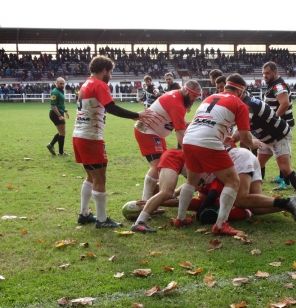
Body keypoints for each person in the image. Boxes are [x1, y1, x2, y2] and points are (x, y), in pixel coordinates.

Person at [173, 74, 261, 236]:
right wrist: (253, 143)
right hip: (208, 141)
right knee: (233, 181)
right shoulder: (239, 103)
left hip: (189, 138)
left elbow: (200, 121)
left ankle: (180, 218)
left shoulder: (209, 98)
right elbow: (245, 136)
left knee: (192, 180)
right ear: (240, 91)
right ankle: (221, 224)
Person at [73, 55, 152, 228]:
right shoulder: (99, 84)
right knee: (100, 178)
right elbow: (111, 107)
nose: (111, 76)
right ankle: (101, 220)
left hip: (79, 135)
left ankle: (84, 214)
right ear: (103, 71)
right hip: (90, 137)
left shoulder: (85, 84)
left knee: (90, 177)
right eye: (111, 72)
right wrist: (137, 115)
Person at [236, 92, 296, 221]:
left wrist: (227, 138)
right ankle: (257, 200)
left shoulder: (247, 105)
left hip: (279, 136)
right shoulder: (244, 102)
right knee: (258, 165)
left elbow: (240, 132)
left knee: (284, 168)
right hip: (266, 137)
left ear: (240, 91)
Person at [134, 80, 202, 201]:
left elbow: (179, 122)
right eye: (193, 96)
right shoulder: (177, 104)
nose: (194, 99)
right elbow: (180, 134)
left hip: (155, 133)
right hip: (147, 131)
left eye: (197, 97)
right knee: (157, 167)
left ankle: (157, 197)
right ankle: (146, 202)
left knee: (162, 166)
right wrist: (190, 153)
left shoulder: (178, 97)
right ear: (186, 91)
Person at [262, 61, 294, 190]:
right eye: (264, 73)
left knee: (282, 152)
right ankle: (282, 177)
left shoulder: (278, 86)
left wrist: (273, 120)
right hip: (279, 125)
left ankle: (286, 182)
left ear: (275, 72)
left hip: (282, 125)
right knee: (279, 152)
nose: (265, 75)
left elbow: (284, 104)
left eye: (268, 73)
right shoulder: (273, 84)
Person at [46, 77, 70, 156]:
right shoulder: (54, 92)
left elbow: (60, 104)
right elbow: (53, 105)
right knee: (62, 133)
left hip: (59, 113)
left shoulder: (60, 91)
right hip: (55, 113)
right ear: (56, 83)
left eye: (63, 83)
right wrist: (59, 115)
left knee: (62, 132)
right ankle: (60, 152)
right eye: (60, 83)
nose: (62, 85)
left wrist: (65, 111)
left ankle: (52, 145)